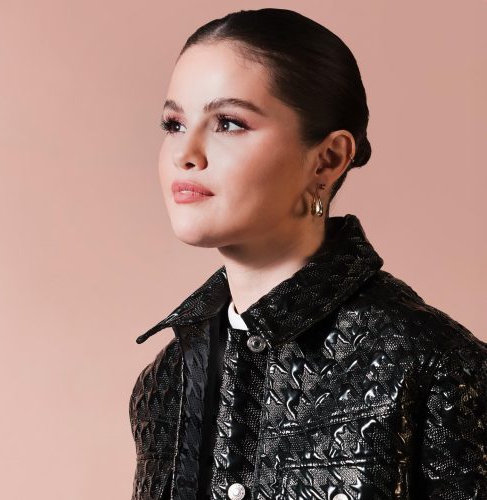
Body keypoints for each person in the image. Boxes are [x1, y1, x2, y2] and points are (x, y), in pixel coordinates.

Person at [129, 8, 486, 500]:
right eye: (173, 123)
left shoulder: (434, 364)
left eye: (228, 123)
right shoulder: (167, 380)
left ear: (328, 159)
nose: (184, 153)